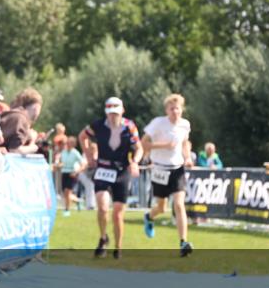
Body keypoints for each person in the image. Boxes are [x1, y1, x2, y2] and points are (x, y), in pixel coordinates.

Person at [79, 96, 143, 259]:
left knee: (118, 213)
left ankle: (118, 247)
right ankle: (103, 237)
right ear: (106, 112)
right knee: (101, 207)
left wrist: (135, 161)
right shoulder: (98, 125)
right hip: (103, 168)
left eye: (116, 112)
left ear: (122, 111)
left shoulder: (130, 127)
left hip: (122, 170)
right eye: (110, 113)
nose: (113, 116)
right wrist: (88, 156)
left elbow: (139, 148)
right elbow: (82, 136)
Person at [142, 94, 195, 257]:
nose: (175, 112)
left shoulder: (185, 125)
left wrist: (187, 158)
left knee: (179, 205)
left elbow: (185, 143)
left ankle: (183, 242)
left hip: (177, 168)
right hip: (159, 169)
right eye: (171, 109)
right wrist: (165, 145)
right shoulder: (158, 123)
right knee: (161, 208)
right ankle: (149, 217)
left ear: (181, 109)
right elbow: (144, 143)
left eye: (177, 108)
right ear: (167, 110)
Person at [0, 88, 43, 154]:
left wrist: (29, 138)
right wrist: (34, 146)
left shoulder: (13, 115)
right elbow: (15, 150)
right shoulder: (21, 118)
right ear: (36, 107)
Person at [58, 135, 86, 214]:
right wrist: (59, 165)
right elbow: (61, 162)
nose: (68, 144)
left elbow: (83, 164)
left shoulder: (75, 153)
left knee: (67, 192)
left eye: (70, 143)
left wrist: (76, 172)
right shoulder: (63, 152)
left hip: (72, 174)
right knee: (65, 193)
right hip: (64, 173)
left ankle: (67, 210)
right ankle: (78, 201)